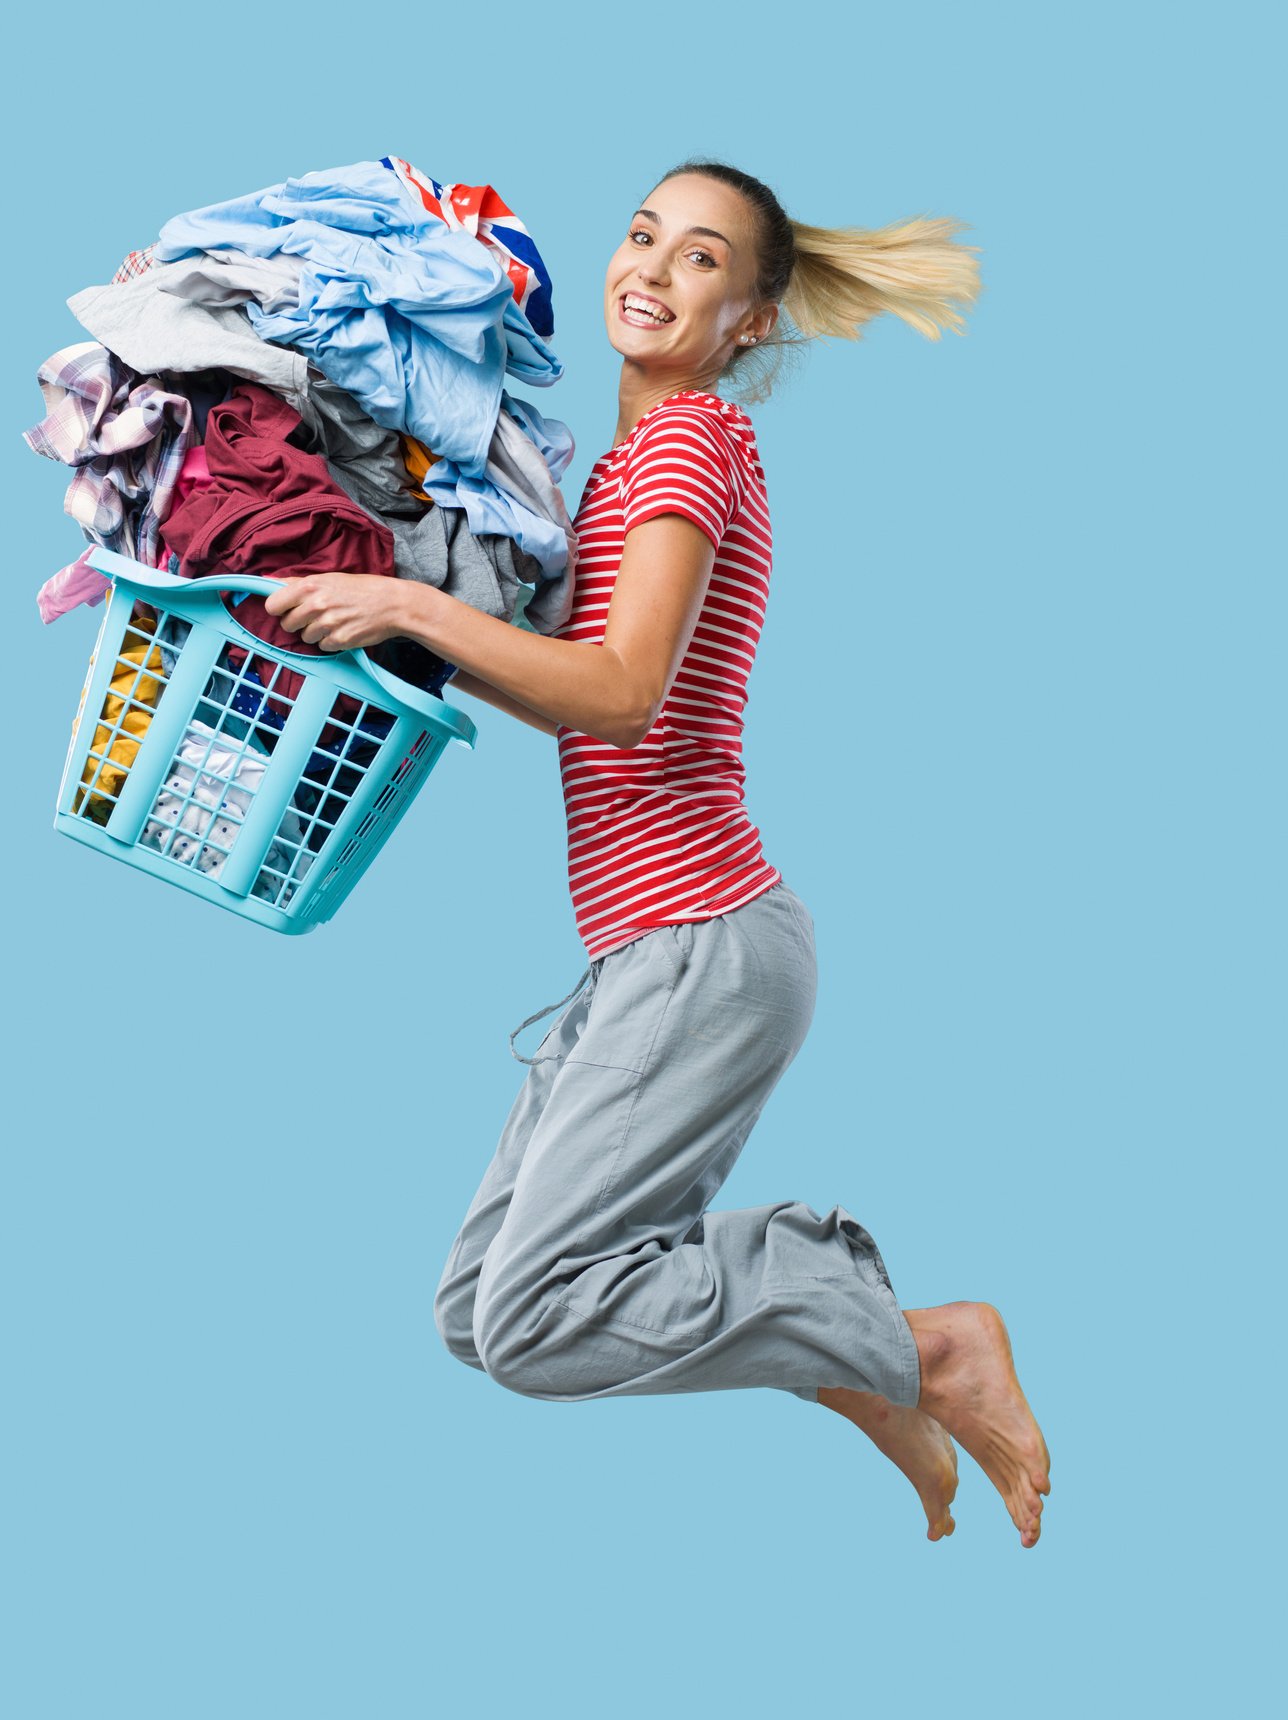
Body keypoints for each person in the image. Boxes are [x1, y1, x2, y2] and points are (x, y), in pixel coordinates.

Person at [260, 160, 1053, 1548]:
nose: (651, 268)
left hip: (702, 939)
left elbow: (623, 691)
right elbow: (570, 686)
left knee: (534, 1319)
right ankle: (848, 1358)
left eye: (699, 260)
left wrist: (402, 601)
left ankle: (920, 1347)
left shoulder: (690, 442)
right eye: (642, 236)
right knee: (476, 1312)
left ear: (749, 318)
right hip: (649, 950)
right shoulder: (623, 467)